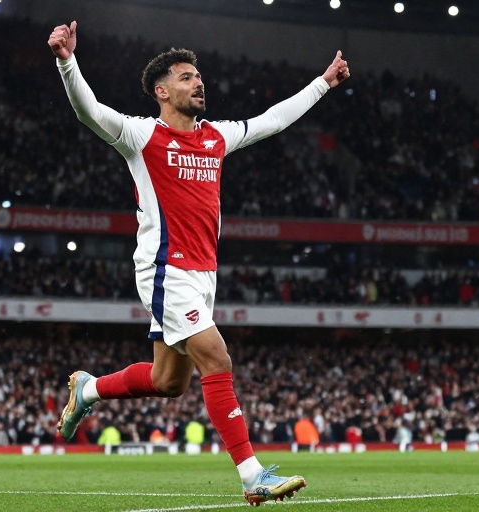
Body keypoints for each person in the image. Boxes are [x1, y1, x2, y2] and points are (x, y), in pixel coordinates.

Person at [48, 21, 349, 506]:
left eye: (199, 76)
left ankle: (89, 390)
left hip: (204, 274)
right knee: (217, 358)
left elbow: (272, 120)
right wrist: (67, 62)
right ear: (162, 91)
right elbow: (89, 111)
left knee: (169, 381)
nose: (198, 82)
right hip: (165, 269)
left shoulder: (216, 137)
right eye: (186, 77)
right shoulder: (141, 135)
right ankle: (252, 476)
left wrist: (323, 83)